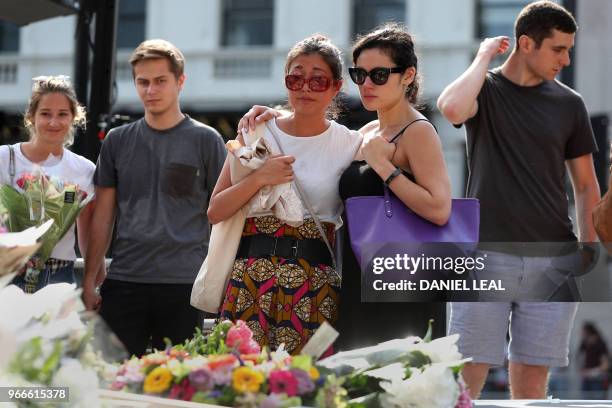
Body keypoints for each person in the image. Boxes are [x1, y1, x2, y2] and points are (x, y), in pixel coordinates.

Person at [237, 24, 452, 350]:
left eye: (379, 75)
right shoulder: (365, 131)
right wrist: (278, 116)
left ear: (407, 76)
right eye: (360, 74)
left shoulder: (418, 131)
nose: (366, 84)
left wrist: (384, 167)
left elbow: (439, 209)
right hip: (359, 279)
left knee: (398, 389)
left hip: (403, 283)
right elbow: (319, 142)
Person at [437, 1, 600, 399]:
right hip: (486, 254)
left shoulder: (569, 104)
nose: (565, 59)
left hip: (552, 258)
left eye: (569, 50)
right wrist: (481, 57)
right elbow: (452, 107)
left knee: (531, 386)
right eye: (558, 49)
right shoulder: (486, 91)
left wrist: (588, 246)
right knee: (466, 380)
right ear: (526, 44)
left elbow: (584, 184)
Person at [209, 34, 362, 355]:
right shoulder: (256, 132)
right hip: (251, 277)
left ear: (336, 87)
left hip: (314, 283)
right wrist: (259, 178)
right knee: (242, 386)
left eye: (318, 80)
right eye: (296, 78)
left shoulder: (351, 144)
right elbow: (215, 210)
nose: (305, 87)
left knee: (306, 388)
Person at [81, 39, 226, 357]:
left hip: (184, 284)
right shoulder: (118, 141)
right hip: (124, 278)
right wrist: (90, 280)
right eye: (142, 82)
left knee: (176, 388)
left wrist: (219, 283)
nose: (151, 90)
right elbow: (103, 216)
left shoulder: (206, 140)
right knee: (110, 378)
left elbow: (223, 216)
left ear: (180, 81)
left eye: (160, 80)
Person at [0, 76, 104, 293]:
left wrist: (93, 284)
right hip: (7, 273)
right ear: (31, 116)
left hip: (60, 276)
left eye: (63, 114)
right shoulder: (3, 158)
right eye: (45, 114)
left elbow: (87, 237)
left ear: (74, 117)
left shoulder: (84, 170)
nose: (54, 122)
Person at [579, 322, 610, 399]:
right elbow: (581, 357)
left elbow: (605, 364)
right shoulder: (584, 343)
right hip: (586, 378)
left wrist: (593, 372)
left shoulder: (600, 344)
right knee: (585, 401)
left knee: (598, 401)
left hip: (598, 379)